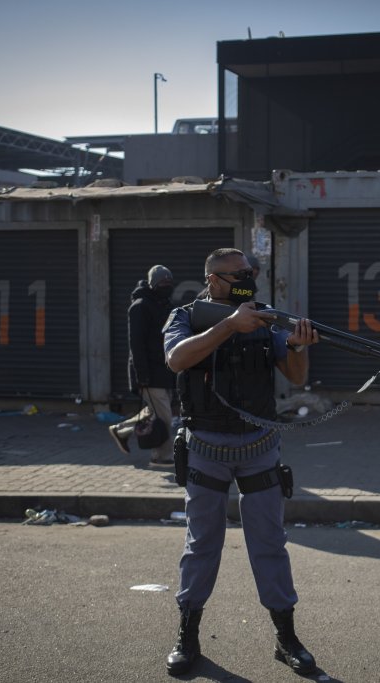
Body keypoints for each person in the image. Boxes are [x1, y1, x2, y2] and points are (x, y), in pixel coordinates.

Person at [162, 248, 319, 676]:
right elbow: (176, 359)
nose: (249, 279)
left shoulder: (264, 317)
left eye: (251, 272)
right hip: (206, 448)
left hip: (259, 447)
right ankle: (188, 636)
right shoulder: (185, 317)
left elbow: (297, 376)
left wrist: (297, 345)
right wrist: (230, 325)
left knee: (269, 544)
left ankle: (286, 639)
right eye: (239, 275)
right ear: (213, 280)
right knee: (202, 544)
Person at [108, 265, 176, 466]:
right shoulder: (140, 307)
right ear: (153, 283)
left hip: (165, 370)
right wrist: (142, 375)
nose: (167, 285)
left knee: (155, 411)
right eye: (163, 282)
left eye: (169, 282)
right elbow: (136, 344)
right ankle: (162, 456)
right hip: (148, 372)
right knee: (164, 415)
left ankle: (121, 430)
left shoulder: (165, 305)